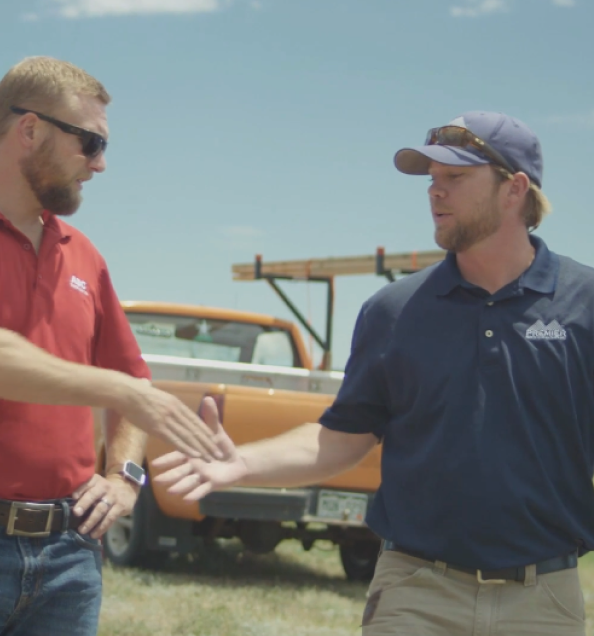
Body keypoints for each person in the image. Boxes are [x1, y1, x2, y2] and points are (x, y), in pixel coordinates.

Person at [153, 111, 594, 635]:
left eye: (455, 178)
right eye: (431, 180)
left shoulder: (583, 304)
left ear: (514, 189)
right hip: (417, 590)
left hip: (544, 599)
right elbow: (341, 437)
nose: (435, 192)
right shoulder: (394, 310)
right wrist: (241, 462)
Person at [0, 56, 222, 636]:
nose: (100, 165)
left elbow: (132, 381)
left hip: (70, 557)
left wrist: (125, 476)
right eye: (90, 143)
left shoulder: (85, 255)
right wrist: (120, 388)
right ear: (29, 130)